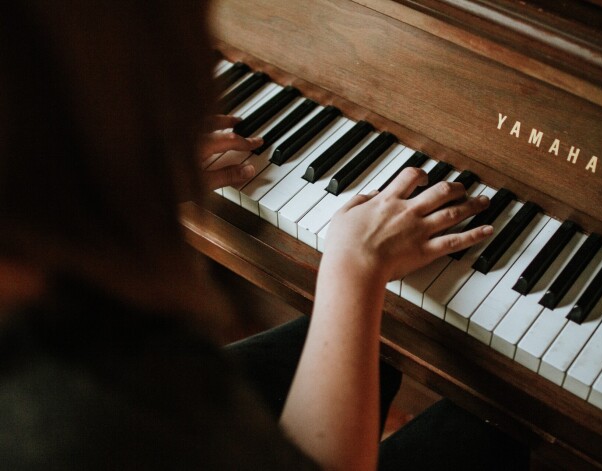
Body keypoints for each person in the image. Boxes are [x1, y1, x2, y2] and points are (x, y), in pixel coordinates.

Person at [0, 1, 528, 469]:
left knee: (388, 350)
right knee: (494, 425)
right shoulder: (68, 418)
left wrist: (118, 186)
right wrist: (354, 267)